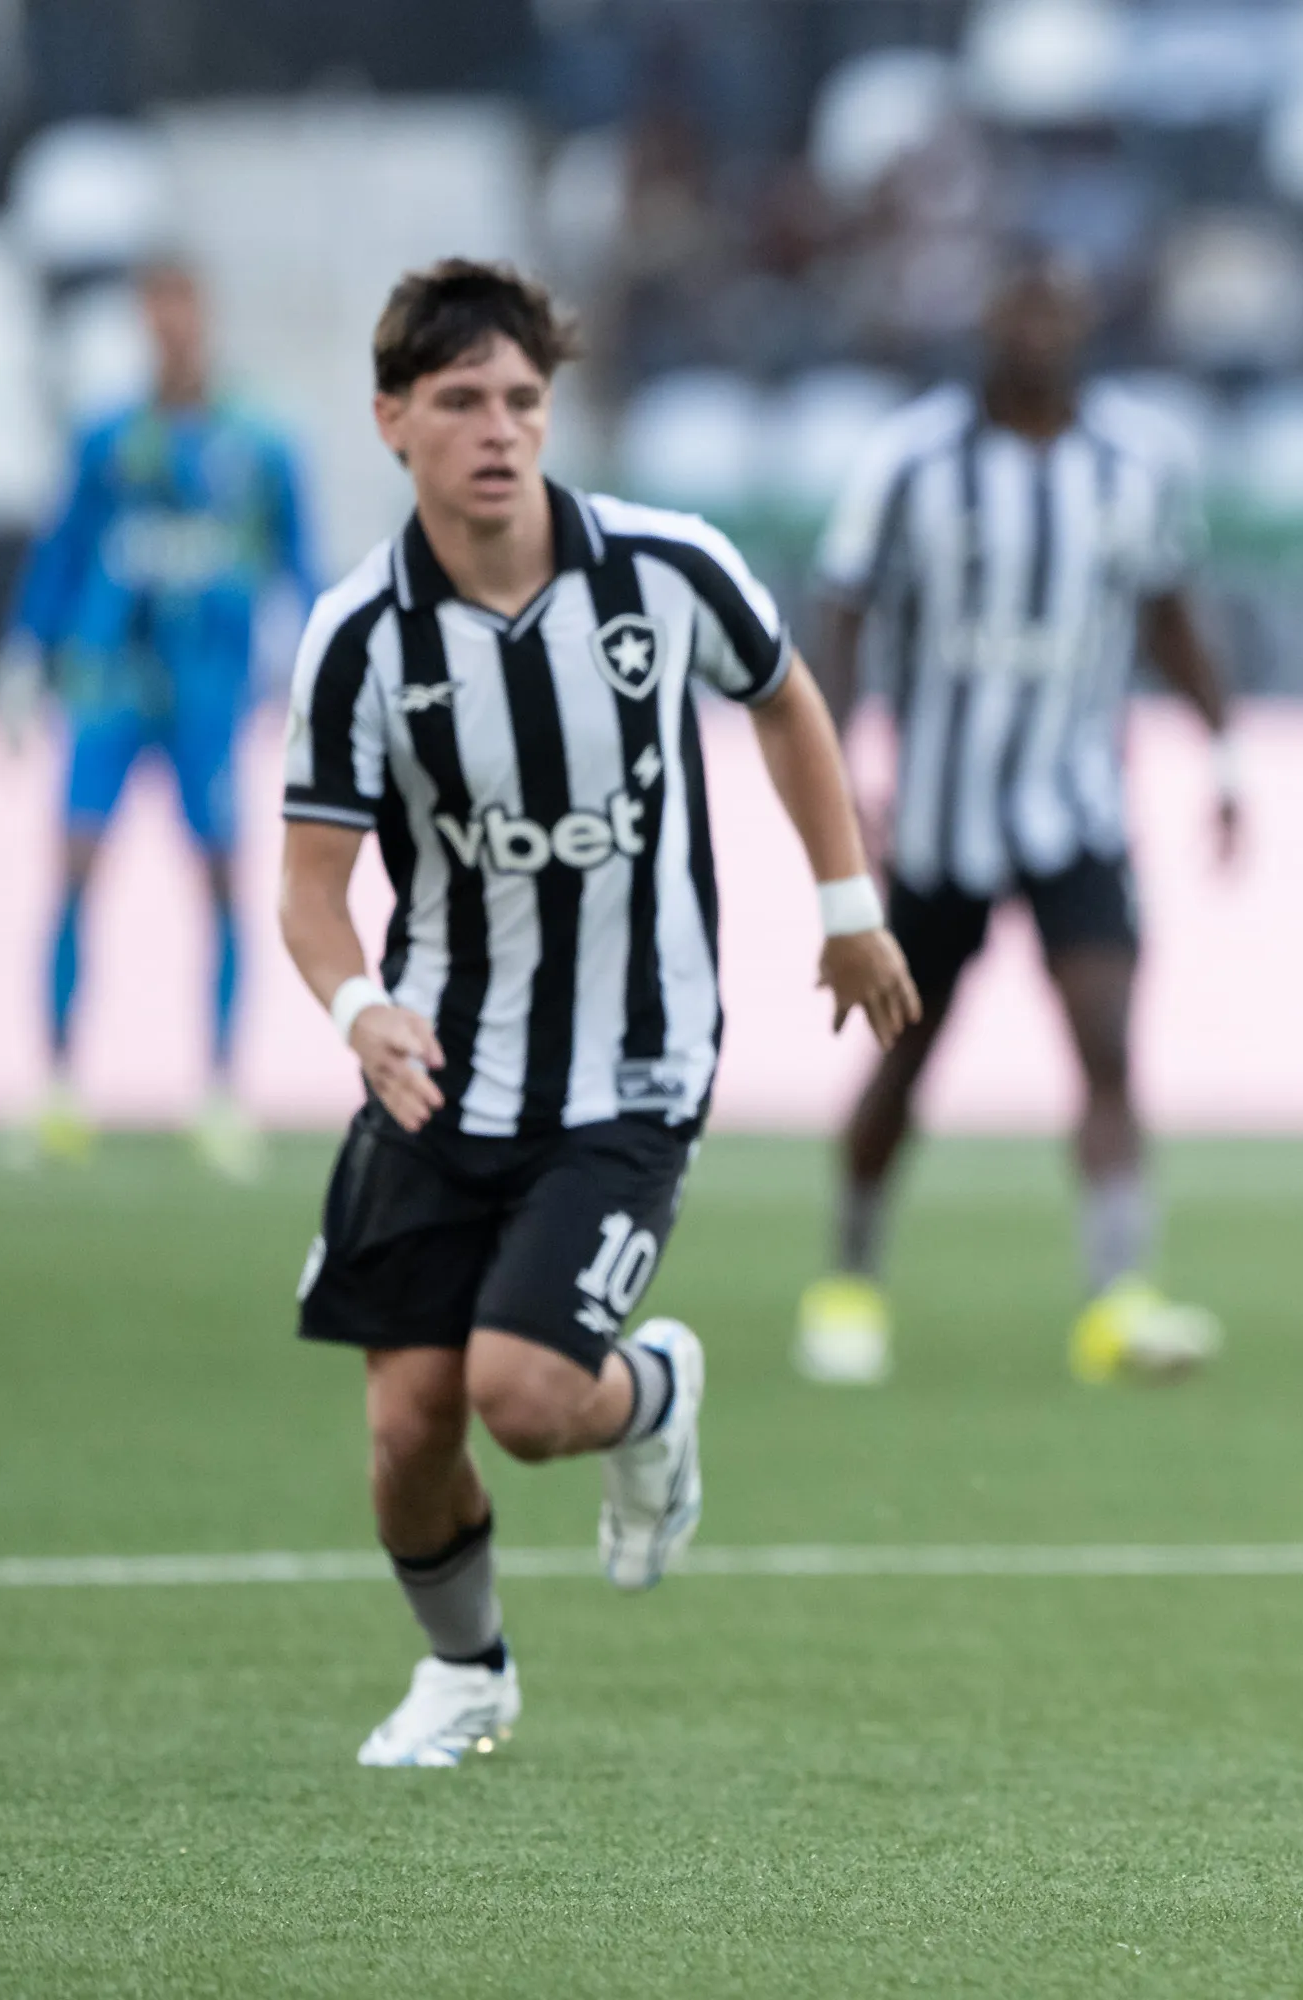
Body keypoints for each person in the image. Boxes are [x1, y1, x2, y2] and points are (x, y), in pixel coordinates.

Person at [277, 260, 920, 1767]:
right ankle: (467, 1675)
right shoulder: (359, 639)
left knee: (521, 1395)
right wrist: (360, 1008)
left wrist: (847, 906)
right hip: (440, 1071)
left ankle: (650, 1397)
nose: (499, 429)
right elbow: (310, 889)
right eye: (461, 401)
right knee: (407, 1428)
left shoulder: (663, 569)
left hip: (631, 1064)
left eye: (523, 399)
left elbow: (786, 696)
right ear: (391, 419)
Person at [793, 261, 1239, 1388]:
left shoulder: (1135, 462)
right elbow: (841, 611)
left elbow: (1170, 613)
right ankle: (848, 1281)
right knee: (907, 1054)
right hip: (942, 816)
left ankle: (1117, 1296)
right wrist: (841, 767)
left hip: (1076, 808)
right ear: (987, 321)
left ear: (1085, 322)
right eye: (1019, 310)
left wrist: (1224, 750)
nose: (1038, 331)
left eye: (1056, 311)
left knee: (1106, 1044)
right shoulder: (912, 460)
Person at [0, 262, 318, 1179]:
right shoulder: (108, 439)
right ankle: (58, 1087)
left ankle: (219, 1092)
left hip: (209, 693)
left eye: (183, 309)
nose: (171, 327)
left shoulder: (260, 445)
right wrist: (24, 649)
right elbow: (64, 549)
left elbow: (300, 560)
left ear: (204, 318)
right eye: (157, 311)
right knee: (74, 867)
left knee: (220, 882)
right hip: (107, 686)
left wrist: (315, 668)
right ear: (145, 321)